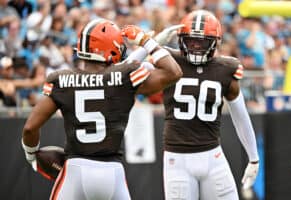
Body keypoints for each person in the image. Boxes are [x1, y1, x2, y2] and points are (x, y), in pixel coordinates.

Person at [21, 19, 182, 200]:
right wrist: (148, 42)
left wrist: (31, 155)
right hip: (112, 173)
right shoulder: (123, 78)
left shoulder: (62, 81)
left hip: (75, 170)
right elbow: (173, 72)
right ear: (111, 49)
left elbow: (29, 128)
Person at [161, 10, 259, 200]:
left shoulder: (225, 69)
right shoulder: (168, 60)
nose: (196, 46)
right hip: (177, 159)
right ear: (181, 39)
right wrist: (154, 45)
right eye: (191, 41)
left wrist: (254, 158)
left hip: (212, 155)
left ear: (215, 42)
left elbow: (241, 116)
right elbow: (126, 71)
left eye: (202, 42)